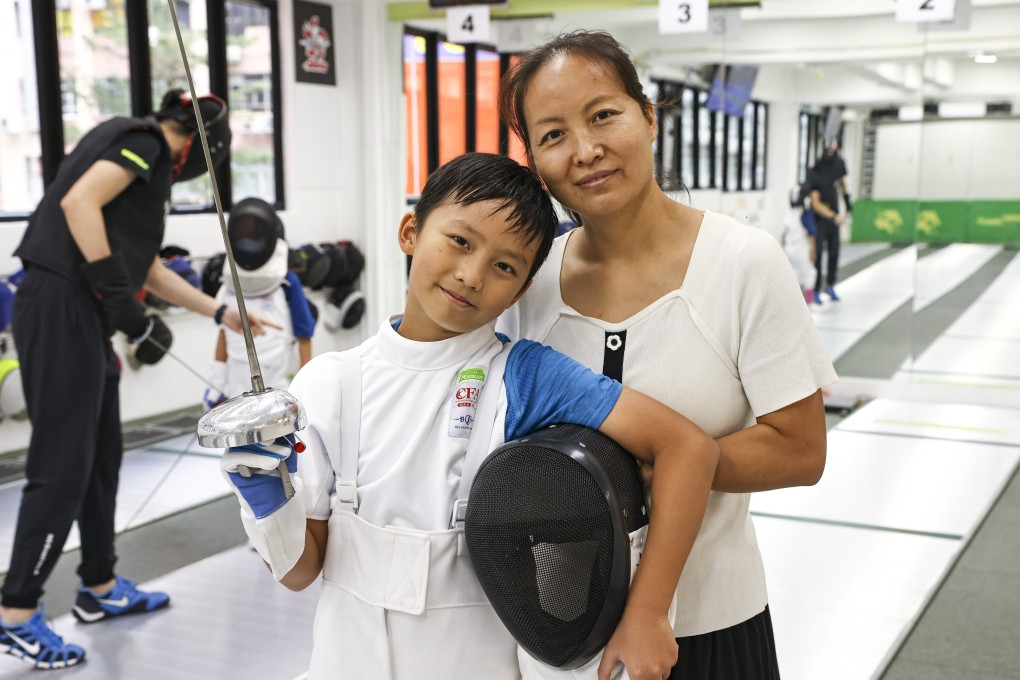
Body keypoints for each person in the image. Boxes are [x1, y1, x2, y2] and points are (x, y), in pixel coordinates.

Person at [220, 152, 721, 680]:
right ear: (411, 231)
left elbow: (689, 447)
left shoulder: (527, 377)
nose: (472, 275)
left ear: (524, 287)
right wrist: (268, 504)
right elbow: (301, 573)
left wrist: (647, 614)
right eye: (459, 241)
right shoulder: (330, 384)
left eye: (505, 266)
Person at [497, 30, 837, 679]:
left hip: (708, 628)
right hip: (562, 635)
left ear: (648, 117)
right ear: (536, 162)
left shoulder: (743, 261)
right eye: (553, 135)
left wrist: (642, 468)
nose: (586, 150)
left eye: (603, 116)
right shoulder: (528, 282)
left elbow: (801, 449)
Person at [0, 89, 277, 670]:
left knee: (102, 457)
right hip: (61, 304)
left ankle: (98, 586)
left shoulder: (142, 166)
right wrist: (122, 305)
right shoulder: (144, 142)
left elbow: (146, 264)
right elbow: (79, 206)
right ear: (210, 147)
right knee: (62, 467)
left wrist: (220, 313)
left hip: (83, 313)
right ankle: (17, 612)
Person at [203, 197, 316, 409]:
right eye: (244, 233)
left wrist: (305, 389)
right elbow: (223, 333)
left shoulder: (287, 284)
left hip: (280, 389)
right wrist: (216, 382)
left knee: (279, 442)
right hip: (236, 390)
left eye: (255, 234)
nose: (249, 240)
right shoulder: (228, 284)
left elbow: (304, 335)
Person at [806, 142, 851, 304]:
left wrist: (847, 201)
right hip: (821, 219)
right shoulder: (815, 172)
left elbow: (842, 182)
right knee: (818, 254)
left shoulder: (838, 165)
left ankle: (830, 284)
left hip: (834, 217)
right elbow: (815, 203)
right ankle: (816, 288)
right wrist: (833, 216)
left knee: (834, 252)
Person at [782, 186, 817, 305]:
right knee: (810, 273)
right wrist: (813, 250)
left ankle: (792, 303)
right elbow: (811, 234)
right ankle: (809, 303)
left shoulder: (788, 214)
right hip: (801, 249)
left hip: (788, 250)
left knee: (794, 275)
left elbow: (783, 234)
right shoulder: (805, 214)